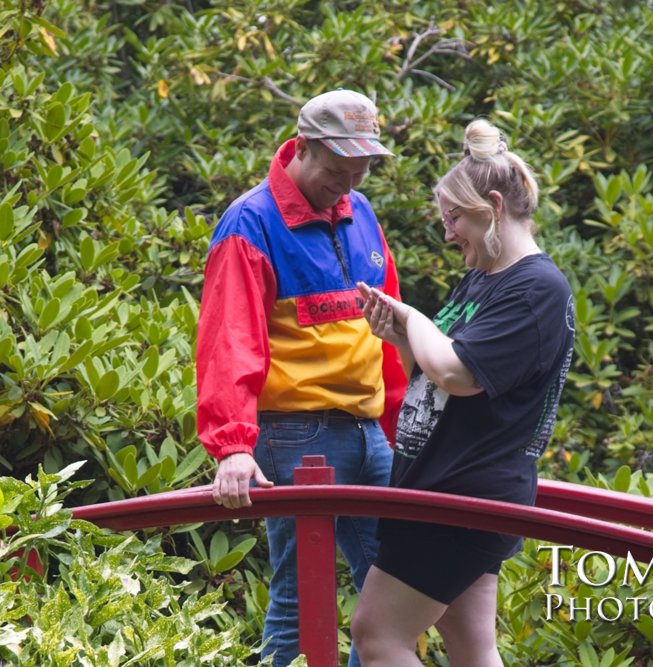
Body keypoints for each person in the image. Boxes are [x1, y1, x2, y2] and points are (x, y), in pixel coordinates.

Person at [350, 119, 575, 666]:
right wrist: (399, 334)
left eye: (453, 216)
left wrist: (414, 316)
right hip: (443, 487)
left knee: (377, 636)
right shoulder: (484, 276)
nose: (448, 232)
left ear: (492, 206)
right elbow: (434, 383)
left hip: (464, 495)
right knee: (474, 649)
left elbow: (458, 374)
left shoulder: (534, 289)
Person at [195, 89, 407, 667]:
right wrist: (233, 447)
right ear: (304, 147)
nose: (347, 185)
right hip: (296, 434)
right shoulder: (251, 220)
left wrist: (399, 421)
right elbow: (228, 339)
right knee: (297, 597)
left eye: (359, 174)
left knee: (400, 590)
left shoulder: (360, 212)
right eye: (338, 171)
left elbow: (387, 328)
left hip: (368, 431)